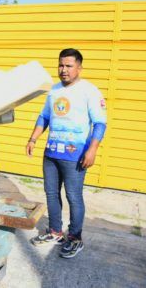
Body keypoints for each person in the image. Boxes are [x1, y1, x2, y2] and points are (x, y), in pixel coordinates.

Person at [26, 48, 107, 259]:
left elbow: (100, 123)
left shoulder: (90, 91)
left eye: (69, 66)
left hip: (76, 155)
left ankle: (75, 238)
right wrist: (33, 139)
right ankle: (55, 232)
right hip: (52, 153)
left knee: (73, 196)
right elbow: (43, 117)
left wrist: (93, 150)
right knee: (51, 194)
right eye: (61, 65)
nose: (63, 70)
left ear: (79, 67)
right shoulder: (53, 91)